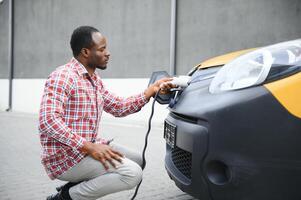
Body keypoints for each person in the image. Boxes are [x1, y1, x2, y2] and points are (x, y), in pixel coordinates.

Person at [38, 26, 174, 200]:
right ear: (86, 52)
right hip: (66, 158)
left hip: (86, 149)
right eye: (102, 49)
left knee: (139, 161)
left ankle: (76, 188)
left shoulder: (94, 80)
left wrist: (150, 92)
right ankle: (64, 197)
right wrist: (90, 147)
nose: (108, 53)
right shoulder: (63, 76)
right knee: (132, 174)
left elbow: (118, 107)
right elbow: (48, 121)